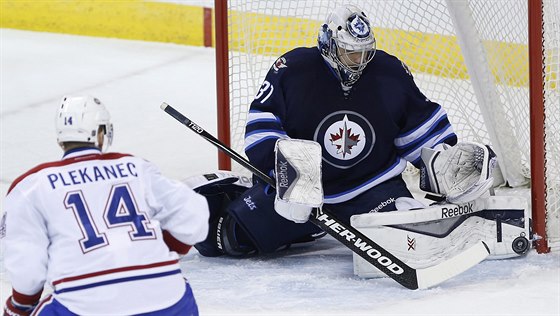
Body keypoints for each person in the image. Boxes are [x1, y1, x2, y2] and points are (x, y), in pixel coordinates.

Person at [193, 5, 499, 258]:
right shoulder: (293, 69)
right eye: (350, 53)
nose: (359, 61)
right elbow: (261, 127)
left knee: (413, 237)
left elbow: (419, 129)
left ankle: (315, 226)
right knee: (231, 238)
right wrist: (286, 174)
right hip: (305, 191)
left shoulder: (389, 72)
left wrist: (442, 159)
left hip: (373, 189)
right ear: (328, 43)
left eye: (364, 53)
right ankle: (245, 192)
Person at [1, 95, 210, 315]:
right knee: (172, 284)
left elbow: (27, 264)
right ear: (101, 132)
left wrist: (20, 304)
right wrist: (162, 250)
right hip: (168, 301)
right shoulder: (135, 167)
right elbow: (193, 211)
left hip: (85, 305)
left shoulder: (31, 185)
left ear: (61, 138)